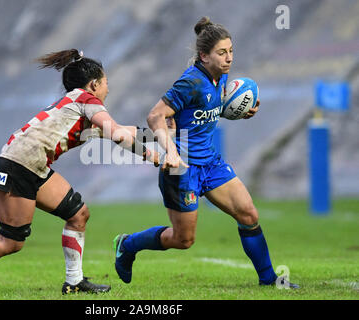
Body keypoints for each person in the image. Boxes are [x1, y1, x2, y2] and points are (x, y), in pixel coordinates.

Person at [0, 49, 159, 296]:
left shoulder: (76, 105)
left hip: (29, 165)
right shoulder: (88, 101)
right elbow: (118, 134)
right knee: (11, 242)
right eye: (106, 83)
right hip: (19, 166)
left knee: (78, 214)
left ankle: (74, 282)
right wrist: (150, 155)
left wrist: (161, 134)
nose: (108, 89)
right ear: (94, 84)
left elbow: (121, 130)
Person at [113, 17, 299, 289]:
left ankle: (268, 279)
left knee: (249, 215)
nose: (229, 58)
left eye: (231, 51)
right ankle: (127, 244)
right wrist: (171, 152)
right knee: (183, 240)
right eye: (222, 53)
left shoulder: (220, 77)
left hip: (210, 164)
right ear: (204, 55)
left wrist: (238, 112)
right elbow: (155, 116)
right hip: (182, 170)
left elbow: (206, 111)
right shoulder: (190, 82)